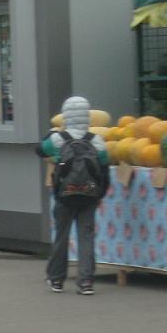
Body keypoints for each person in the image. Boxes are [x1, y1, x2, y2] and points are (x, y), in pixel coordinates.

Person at [37, 95, 109, 295]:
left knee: (62, 236)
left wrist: (50, 135)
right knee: (86, 236)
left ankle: (57, 280)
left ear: (65, 115)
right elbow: (104, 168)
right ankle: (86, 282)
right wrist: (100, 194)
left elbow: (40, 150)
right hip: (89, 195)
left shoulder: (58, 139)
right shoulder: (97, 140)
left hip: (64, 194)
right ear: (88, 116)